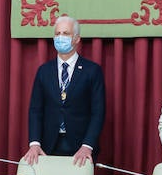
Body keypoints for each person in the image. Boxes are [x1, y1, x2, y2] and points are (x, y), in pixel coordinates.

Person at [24, 15, 106, 166]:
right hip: (48, 146)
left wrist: (87, 146)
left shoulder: (92, 71)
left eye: (66, 33)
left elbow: (98, 112)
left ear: (76, 39)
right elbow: (35, 110)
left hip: (80, 148)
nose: (60, 37)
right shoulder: (44, 71)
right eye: (57, 33)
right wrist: (34, 143)